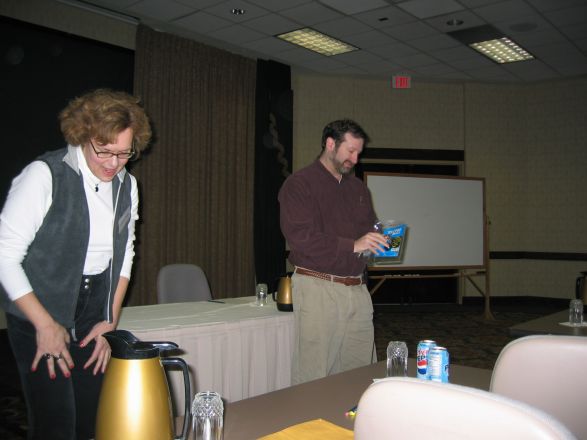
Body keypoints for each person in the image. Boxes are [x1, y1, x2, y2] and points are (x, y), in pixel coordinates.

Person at [0, 88, 151, 439]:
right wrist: (45, 325)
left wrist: (109, 319)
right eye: (105, 151)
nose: (114, 164)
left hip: (93, 312)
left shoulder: (127, 185)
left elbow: (125, 255)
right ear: (83, 136)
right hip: (41, 307)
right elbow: (5, 255)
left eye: (124, 153)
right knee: (57, 424)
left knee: (91, 419)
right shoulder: (45, 174)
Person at [278, 119, 389, 385]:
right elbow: (301, 239)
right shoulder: (299, 185)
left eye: (359, 153)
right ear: (330, 144)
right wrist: (354, 244)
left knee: (360, 372)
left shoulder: (358, 189)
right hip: (318, 287)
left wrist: (381, 242)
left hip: (358, 291)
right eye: (350, 151)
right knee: (314, 375)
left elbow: (367, 235)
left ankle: (350, 425)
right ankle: (309, 426)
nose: (355, 158)